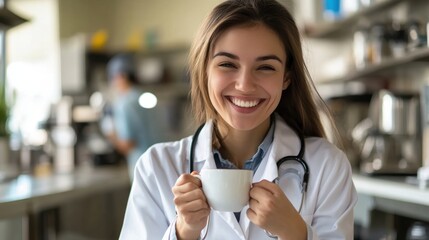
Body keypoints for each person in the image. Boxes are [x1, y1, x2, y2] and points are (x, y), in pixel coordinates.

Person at [119, 0, 357, 239]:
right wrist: (183, 232)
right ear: (204, 71)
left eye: (265, 67)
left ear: (286, 78)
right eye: (227, 64)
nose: (244, 85)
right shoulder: (155, 167)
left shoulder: (327, 166)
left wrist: (295, 232)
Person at [105, 54, 160, 180]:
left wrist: (110, 133)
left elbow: (127, 144)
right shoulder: (147, 97)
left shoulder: (124, 104)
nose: (114, 83)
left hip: (143, 171)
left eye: (114, 78)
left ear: (122, 76)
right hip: (161, 165)